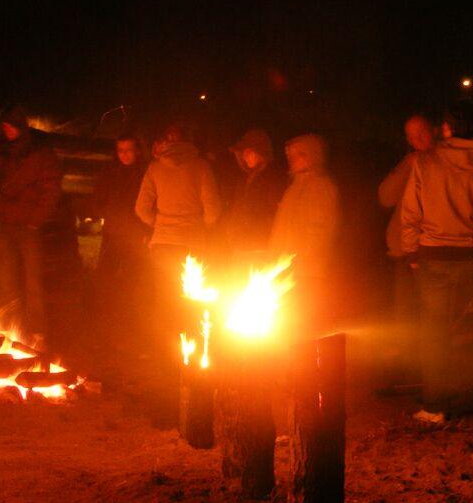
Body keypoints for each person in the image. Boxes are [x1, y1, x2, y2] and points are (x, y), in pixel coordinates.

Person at [400, 102, 473, 423]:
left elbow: (410, 215)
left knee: (435, 333)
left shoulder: (425, 163)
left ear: (445, 128)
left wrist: (411, 254)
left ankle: (435, 405)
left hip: (433, 258)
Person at [135, 122, 222, 355]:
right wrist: (200, 225)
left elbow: (141, 208)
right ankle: (190, 348)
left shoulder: (155, 168)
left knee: (164, 298)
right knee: (190, 298)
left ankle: (164, 350)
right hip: (192, 243)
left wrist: (159, 223)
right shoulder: (201, 167)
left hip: (163, 243)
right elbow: (213, 209)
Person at [0, 106, 62, 342]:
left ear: (19, 127)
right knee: (7, 280)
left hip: (28, 227)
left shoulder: (39, 154)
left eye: (10, 126)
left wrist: (35, 220)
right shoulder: (2, 154)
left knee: (32, 280)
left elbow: (51, 188)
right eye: (3, 127)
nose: (6, 130)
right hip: (4, 225)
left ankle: (38, 331)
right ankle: (12, 327)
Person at [377, 114, 437, 387]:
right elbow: (385, 196)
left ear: (433, 130)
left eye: (421, 132)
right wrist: (406, 167)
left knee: (426, 315)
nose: (417, 140)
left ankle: (426, 372)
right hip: (403, 250)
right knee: (405, 314)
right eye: (411, 136)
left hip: (427, 251)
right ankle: (410, 370)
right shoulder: (410, 161)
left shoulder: (440, 163)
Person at [269, 134, 340, 333]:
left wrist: (300, 261)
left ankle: (304, 363)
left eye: (299, 154)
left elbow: (320, 230)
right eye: (290, 155)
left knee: (302, 326)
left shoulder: (320, 186)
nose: (293, 159)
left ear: (312, 155)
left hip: (306, 272)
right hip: (287, 270)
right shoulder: (295, 187)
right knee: (287, 327)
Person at [92, 133, 150, 342]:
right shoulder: (110, 173)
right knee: (106, 278)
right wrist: (104, 211)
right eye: (120, 151)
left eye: (129, 150)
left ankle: (132, 324)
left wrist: (145, 230)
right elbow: (98, 198)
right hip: (114, 233)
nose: (125, 155)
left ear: (136, 151)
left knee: (133, 280)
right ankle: (105, 322)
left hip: (136, 234)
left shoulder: (145, 173)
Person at [224, 128, 286, 263]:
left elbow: (278, 213)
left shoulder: (272, 179)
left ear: (261, 153)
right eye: (243, 153)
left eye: (249, 152)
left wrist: (258, 229)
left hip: (259, 246)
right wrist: (231, 230)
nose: (245, 157)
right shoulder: (244, 180)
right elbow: (236, 208)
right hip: (239, 244)